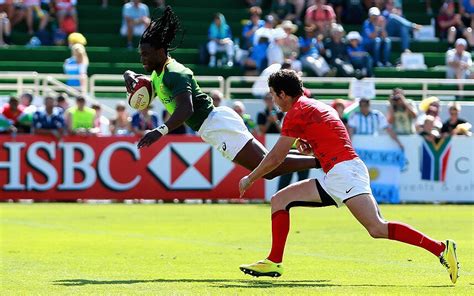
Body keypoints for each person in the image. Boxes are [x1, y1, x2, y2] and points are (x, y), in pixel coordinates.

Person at [238, 69, 459, 284]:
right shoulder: (315, 106)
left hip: (344, 173)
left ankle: (441, 248)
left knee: (377, 228)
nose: (274, 101)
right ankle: (274, 261)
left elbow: (276, 157)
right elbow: (334, 141)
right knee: (280, 200)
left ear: (282, 94)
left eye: (273, 95)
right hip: (340, 172)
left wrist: (251, 178)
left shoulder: (296, 112)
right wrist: (314, 149)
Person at [124, 6, 319, 180]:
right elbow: (142, 79)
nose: (142, 59)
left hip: (215, 124)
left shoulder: (176, 73)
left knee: (268, 170)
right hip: (215, 123)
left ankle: (321, 161)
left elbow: (186, 109)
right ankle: (321, 158)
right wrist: (128, 75)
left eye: (145, 54)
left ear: (160, 51)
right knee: (269, 163)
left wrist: (159, 131)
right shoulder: (159, 74)